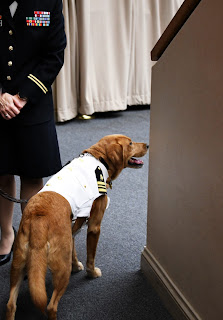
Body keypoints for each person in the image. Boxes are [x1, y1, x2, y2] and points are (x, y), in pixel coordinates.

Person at [0, 0, 66, 266]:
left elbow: (54, 55)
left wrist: (22, 96)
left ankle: (30, 240)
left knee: (31, 173)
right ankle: (5, 234)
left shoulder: (48, 1)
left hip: (33, 103)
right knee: (2, 173)